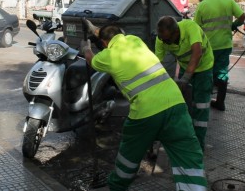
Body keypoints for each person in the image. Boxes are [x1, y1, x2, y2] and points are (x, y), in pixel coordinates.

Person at [80, 20, 208, 191]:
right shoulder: (135, 40)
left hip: (145, 113)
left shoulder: (107, 56)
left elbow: (92, 60)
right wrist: (94, 29)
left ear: (104, 44)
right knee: (188, 156)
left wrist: (86, 48)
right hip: (176, 104)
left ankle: (117, 186)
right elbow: (111, 35)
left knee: (129, 156)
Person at [155, 16, 214, 151]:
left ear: (176, 33)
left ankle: (198, 145)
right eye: (162, 39)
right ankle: (185, 137)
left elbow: (197, 53)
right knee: (183, 105)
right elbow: (157, 63)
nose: (165, 42)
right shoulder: (161, 39)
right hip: (185, 67)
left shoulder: (190, 27)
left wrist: (186, 78)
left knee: (201, 105)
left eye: (167, 40)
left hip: (204, 68)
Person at [193, 0, 245, 111]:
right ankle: (220, 102)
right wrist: (234, 25)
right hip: (225, 44)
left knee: (207, 72)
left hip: (209, 47)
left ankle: (205, 100)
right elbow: (242, 16)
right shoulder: (228, 0)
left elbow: (196, 28)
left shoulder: (202, 5)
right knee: (222, 73)